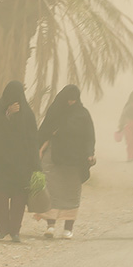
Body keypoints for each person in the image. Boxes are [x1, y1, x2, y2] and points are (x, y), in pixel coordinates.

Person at [35, 84, 96, 239]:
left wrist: (90, 154)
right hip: (53, 158)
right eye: (68, 100)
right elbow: (44, 132)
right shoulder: (55, 111)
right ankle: (50, 226)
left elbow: (89, 137)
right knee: (51, 190)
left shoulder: (83, 115)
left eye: (73, 100)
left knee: (71, 193)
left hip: (74, 161)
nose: (70, 103)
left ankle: (68, 228)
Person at [0, 81, 38, 243]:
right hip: (2, 164)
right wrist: (7, 115)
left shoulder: (28, 115)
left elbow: (32, 141)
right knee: (0, 196)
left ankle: (15, 231)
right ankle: (3, 228)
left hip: (22, 166)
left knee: (19, 198)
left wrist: (37, 167)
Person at [116, 90, 133, 162]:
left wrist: (121, 126)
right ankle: (132, 156)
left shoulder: (128, 105)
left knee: (129, 141)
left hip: (128, 125)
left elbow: (123, 116)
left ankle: (129, 156)